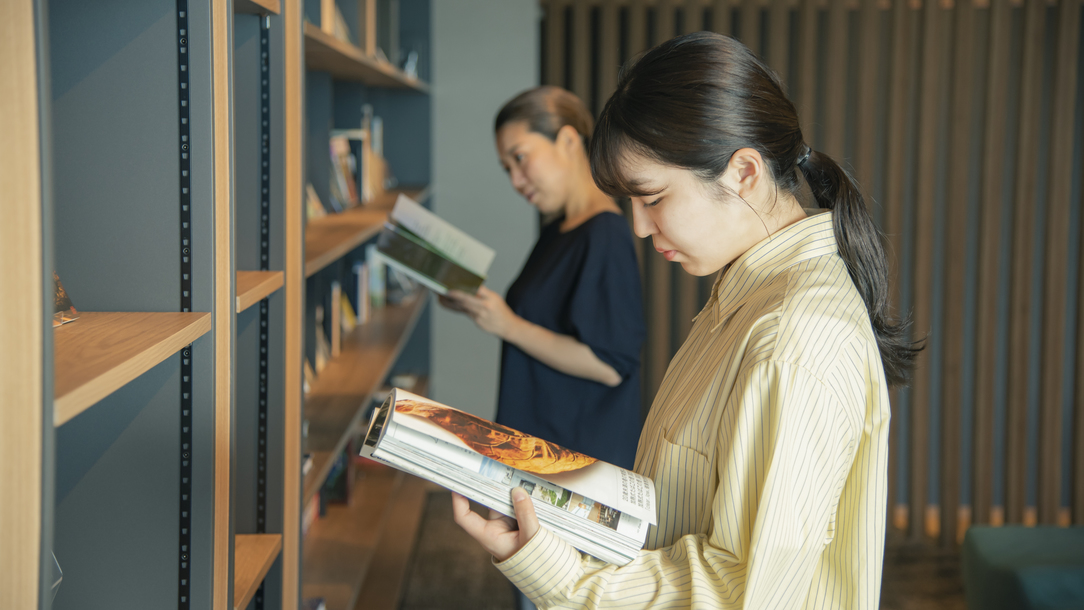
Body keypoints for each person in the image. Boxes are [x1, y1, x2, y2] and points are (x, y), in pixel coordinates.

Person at [452, 32, 923, 609]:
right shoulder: (744, 296)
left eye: (652, 198)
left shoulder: (795, 338)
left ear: (744, 174)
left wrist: (558, 572)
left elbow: (742, 592)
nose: (640, 228)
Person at [439, 86, 645, 471]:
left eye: (520, 159)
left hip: (574, 460)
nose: (516, 180)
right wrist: (483, 308)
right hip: (543, 446)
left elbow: (610, 365)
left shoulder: (605, 235)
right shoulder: (560, 230)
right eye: (507, 169)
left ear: (567, 140)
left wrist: (508, 325)